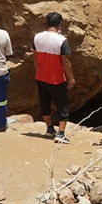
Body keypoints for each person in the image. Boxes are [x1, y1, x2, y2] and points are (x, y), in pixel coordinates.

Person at [33, 12, 76, 144]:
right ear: (59, 24)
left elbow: (34, 58)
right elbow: (66, 63)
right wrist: (71, 78)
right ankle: (61, 134)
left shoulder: (37, 37)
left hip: (41, 77)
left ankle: (49, 129)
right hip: (56, 79)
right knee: (62, 106)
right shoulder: (61, 40)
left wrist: (38, 71)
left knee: (44, 103)